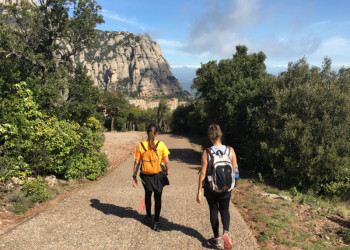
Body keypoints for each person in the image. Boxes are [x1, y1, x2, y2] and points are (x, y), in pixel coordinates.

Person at [196, 124, 238, 249]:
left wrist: (198, 191)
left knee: (213, 210)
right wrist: (233, 185)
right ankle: (226, 232)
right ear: (221, 135)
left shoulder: (207, 152)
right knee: (225, 210)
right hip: (226, 187)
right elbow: (235, 170)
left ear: (210, 137)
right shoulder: (230, 150)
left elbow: (203, 173)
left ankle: (217, 239)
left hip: (211, 188)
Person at [132, 124, 170, 231]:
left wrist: (134, 176)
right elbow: (166, 161)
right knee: (158, 198)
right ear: (156, 133)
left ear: (146, 132)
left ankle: (148, 216)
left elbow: (136, 162)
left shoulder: (141, 145)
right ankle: (156, 222)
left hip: (145, 175)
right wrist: (167, 171)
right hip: (158, 174)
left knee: (148, 195)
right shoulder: (161, 144)